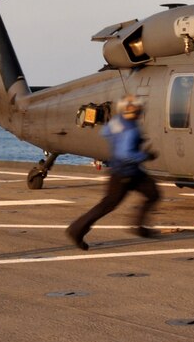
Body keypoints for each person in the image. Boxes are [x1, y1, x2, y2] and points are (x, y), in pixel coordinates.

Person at [66, 95, 160, 250]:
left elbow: (105, 132)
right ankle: (77, 229)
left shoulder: (117, 121)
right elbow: (126, 155)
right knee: (108, 205)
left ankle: (140, 227)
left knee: (153, 193)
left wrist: (121, 140)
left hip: (127, 172)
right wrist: (145, 155)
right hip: (125, 174)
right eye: (138, 109)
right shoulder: (132, 130)